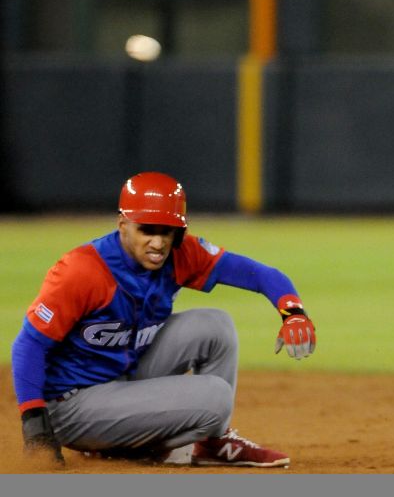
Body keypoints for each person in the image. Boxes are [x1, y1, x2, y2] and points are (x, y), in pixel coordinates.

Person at [11, 171, 317, 468]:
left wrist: (293, 313)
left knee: (215, 326)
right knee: (215, 397)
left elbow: (260, 274)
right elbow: (28, 344)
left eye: (166, 231)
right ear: (123, 225)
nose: (158, 243)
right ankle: (134, 443)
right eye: (147, 229)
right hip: (72, 405)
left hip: (123, 376)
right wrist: (35, 423)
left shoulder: (181, 255)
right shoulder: (82, 271)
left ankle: (211, 443)